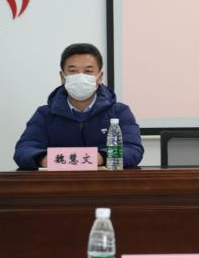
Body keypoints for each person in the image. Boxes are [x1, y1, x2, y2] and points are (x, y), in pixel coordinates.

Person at [13, 43, 144, 169]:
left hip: (104, 182)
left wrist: (101, 157)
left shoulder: (119, 112)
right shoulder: (45, 114)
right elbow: (24, 150)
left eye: (88, 71)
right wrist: (42, 159)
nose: (81, 77)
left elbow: (133, 149)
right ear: (62, 77)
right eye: (73, 71)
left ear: (99, 77)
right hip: (59, 182)